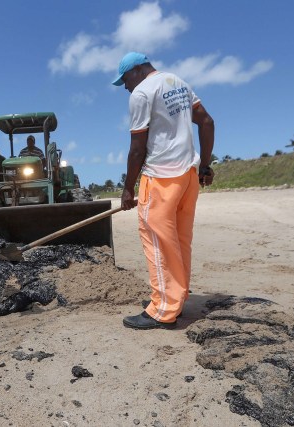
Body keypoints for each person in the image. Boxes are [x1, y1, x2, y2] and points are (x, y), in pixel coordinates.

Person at [112, 52, 215, 330]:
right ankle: (177, 300)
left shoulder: (142, 93)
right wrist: (204, 166)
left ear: (135, 71)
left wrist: (127, 189)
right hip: (188, 177)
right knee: (179, 242)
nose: (126, 88)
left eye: (125, 81)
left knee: (157, 242)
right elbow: (206, 122)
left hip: (160, 177)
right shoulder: (178, 82)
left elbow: (137, 149)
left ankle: (162, 309)